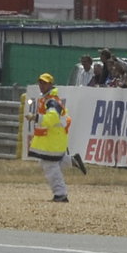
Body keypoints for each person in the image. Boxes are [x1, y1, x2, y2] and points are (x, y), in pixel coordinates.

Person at [29, 74, 75, 202]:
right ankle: (71, 161)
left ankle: (60, 194)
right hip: (52, 139)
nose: (41, 85)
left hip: (53, 139)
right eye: (40, 83)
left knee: (50, 165)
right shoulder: (47, 99)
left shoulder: (52, 101)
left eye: (44, 83)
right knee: (48, 162)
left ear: (50, 84)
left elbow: (53, 118)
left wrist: (36, 117)